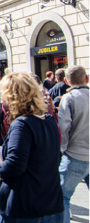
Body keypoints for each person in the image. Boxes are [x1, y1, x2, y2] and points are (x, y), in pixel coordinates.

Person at [0, 72, 64, 222]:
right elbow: (55, 158)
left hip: (24, 207)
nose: (2, 101)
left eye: (4, 96)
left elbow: (14, 166)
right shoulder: (48, 120)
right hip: (51, 204)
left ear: (12, 97)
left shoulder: (22, 124)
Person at [58, 65, 89, 223]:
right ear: (87, 79)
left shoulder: (69, 98)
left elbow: (64, 128)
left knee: (62, 197)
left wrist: (61, 151)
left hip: (75, 155)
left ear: (66, 81)